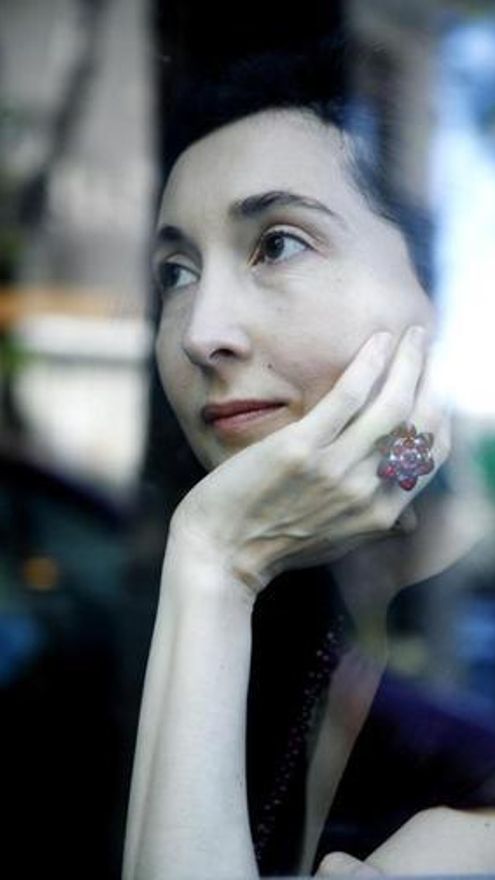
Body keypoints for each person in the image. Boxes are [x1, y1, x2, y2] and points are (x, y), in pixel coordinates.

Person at [123, 44, 495, 878]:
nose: (200, 332)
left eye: (277, 244)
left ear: (432, 293)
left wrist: (217, 560)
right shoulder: (267, 610)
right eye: (175, 272)